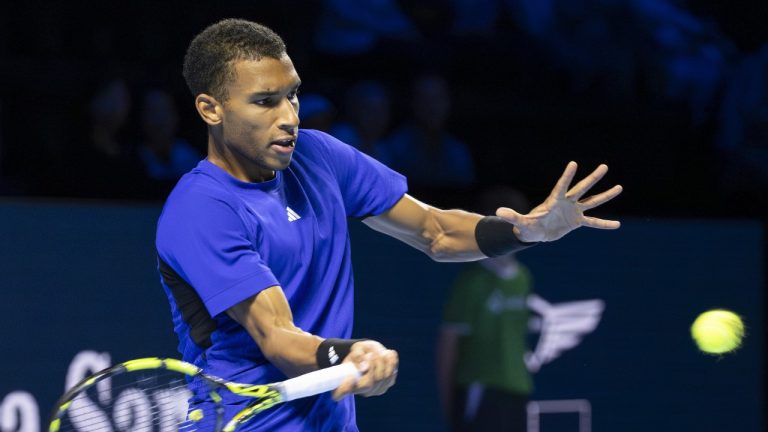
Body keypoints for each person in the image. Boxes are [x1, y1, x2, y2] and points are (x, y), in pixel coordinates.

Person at [155, 18, 622, 431]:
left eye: (292, 95)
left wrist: (524, 232)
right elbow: (277, 335)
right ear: (211, 109)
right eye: (265, 102)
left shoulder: (319, 156)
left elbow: (434, 231)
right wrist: (350, 354)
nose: (289, 118)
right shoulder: (201, 209)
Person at [437, 187, 535, 432]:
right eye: (502, 224)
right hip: (479, 389)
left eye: (516, 223)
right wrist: (449, 400)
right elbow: (448, 346)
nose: (511, 232)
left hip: (518, 389)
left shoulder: (524, 278)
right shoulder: (471, 282)